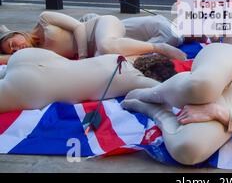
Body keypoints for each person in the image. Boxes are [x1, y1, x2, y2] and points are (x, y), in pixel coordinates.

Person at [0, 47, 176, 113]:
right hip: (35, 86)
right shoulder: (134, 79)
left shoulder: (117, 58)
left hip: (33, 56)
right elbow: (165, 90)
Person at [0, 11, 186, 64]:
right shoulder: (36, 53)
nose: (16, 49)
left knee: (106, 46)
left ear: (16, 33)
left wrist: (82, 58)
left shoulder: (44, 19)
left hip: (100, 26)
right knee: (108, 63)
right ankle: (153, 55)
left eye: (12, 44)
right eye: (12, 51)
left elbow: (79, 27)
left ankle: (159, 48)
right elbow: (7, 61)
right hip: (94, 49)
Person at [78, 13, 184, 47]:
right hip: (103, 32)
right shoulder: (173, 34)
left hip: (105, 27)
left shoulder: (170, 26)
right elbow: (147, 49)